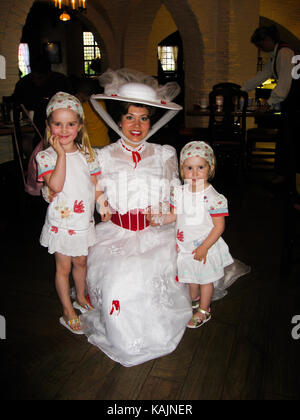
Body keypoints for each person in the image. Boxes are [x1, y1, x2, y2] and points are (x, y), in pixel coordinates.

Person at [79, 68, 193, 367]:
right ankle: (123, 337)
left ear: (151, 121)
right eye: (130, 116)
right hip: (115, 235)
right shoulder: (102, 157)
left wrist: (168, 215)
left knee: (148, 275)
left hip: (157, 235)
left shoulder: (165, 154)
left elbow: (178, 197)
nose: (137, 125)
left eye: (144, 117)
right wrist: (98, 201)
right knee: (119, 281)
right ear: (118, 120)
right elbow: (86, 189)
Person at [148, 141, 248, 329]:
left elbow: (218, 227)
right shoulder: (179, 192)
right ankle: (193, 299)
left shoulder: (214, 198)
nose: (194, 173)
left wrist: (204, 247)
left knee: (204, 279)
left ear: (210, 168)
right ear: (182, 169)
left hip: (205, 246)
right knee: (190, 276)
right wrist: (160, 219)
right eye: (189, 168)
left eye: (200, 167)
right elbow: (174, 215)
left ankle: (204, 309)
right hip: (185, 245)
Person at [36, 92, 107, 335]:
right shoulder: (45, 157)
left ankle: (81, 298)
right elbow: (55, 185)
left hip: (83, 222)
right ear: (49, 126)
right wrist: (62, 155)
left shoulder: (89, 155)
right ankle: (68, 309)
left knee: (82, 262)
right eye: (58, 123)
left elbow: (95, 184)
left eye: (70, 123)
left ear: (79, 126)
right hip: (62, 224)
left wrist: (102, 203)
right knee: (63, 267)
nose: (64, 129)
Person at [241, 25, 300, 187]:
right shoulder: (276, 54)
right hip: (291, 102)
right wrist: (241, 89)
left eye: (260, 45)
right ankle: (284, 175)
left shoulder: (284, 53)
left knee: (290, 141)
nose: (260, 48)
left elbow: (284, 84)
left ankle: (290, 179)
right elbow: (262, 76)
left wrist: (268, 103)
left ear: (268, 40)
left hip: (296, 103)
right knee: (284, 139)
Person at [13, 57, 72, 148]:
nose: (36, 81)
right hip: (36, 125)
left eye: (40, 78)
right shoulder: (24, 83)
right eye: (34, 77)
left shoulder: (60, 82)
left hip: (59, 123)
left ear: (49, 74)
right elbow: (16, 103)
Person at [73, 78, 110, 147]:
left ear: (80, 93)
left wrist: (78, 101)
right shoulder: (101, 102)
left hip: (90, 143)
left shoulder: (82, 107)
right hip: (104, 141)